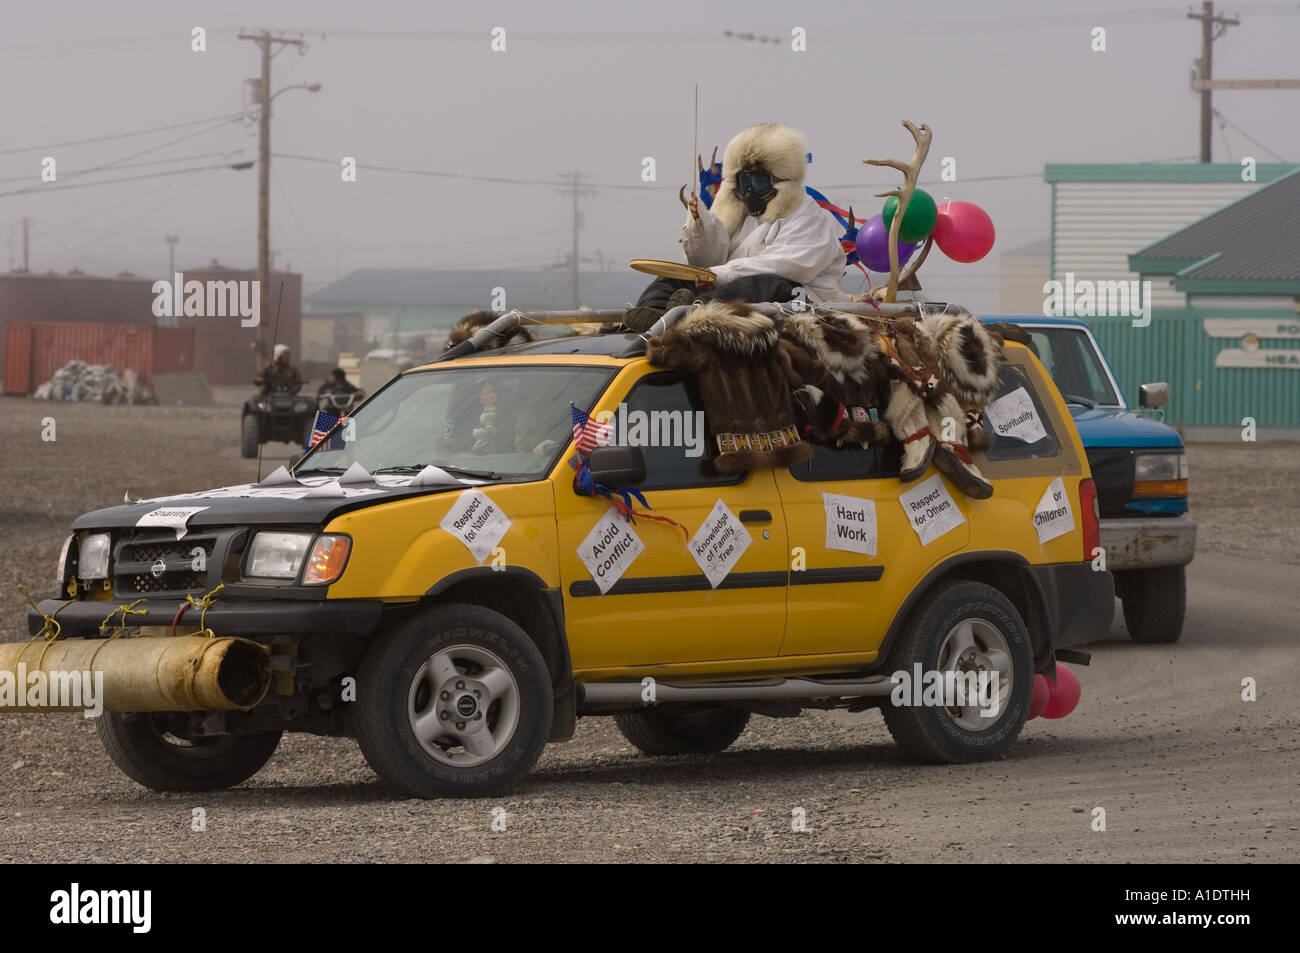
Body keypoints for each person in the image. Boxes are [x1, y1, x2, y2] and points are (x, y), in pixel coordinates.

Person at [624, 123, 847, 332]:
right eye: (744, 181)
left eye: (758, 181)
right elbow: (708, 261)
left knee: (766, 284)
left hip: (802, 302)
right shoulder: (740, 214)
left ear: (779, 179)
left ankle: (692, 315)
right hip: (730, 292)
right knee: (675, 276)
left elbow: (789, 266)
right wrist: (700, 225)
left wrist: (718, 275)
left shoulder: (808, 214)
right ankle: (654, 316)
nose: (749, 190)